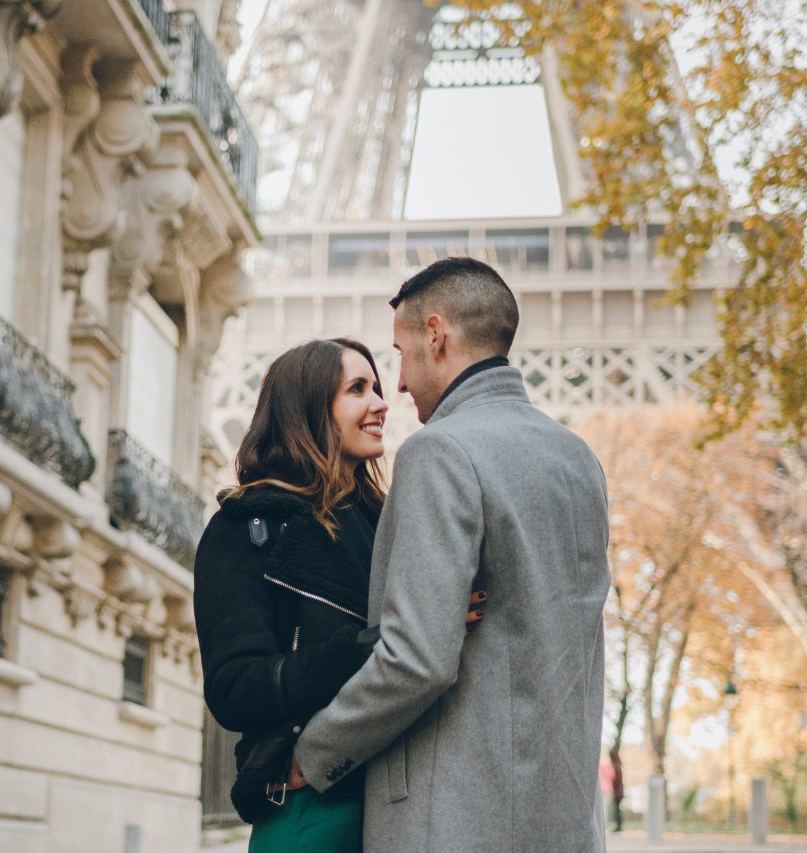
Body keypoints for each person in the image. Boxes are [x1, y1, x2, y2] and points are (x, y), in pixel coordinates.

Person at [293, 257, 612, 853]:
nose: (403, 383)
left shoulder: (438, 451)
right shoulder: (578, 459)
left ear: (436, 335)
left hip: (453, 823)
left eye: (402, 354)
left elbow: (418, 659)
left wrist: (314, 753)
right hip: (564, 822)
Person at [193, 337, 486, 851]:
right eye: (357, 389)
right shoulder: (246, 528)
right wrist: (380, 641)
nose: (380, 402)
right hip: (313, 810)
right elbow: (235, 689)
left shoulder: (388, 521)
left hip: (407, 802)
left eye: (376, 386)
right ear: (307, 407)